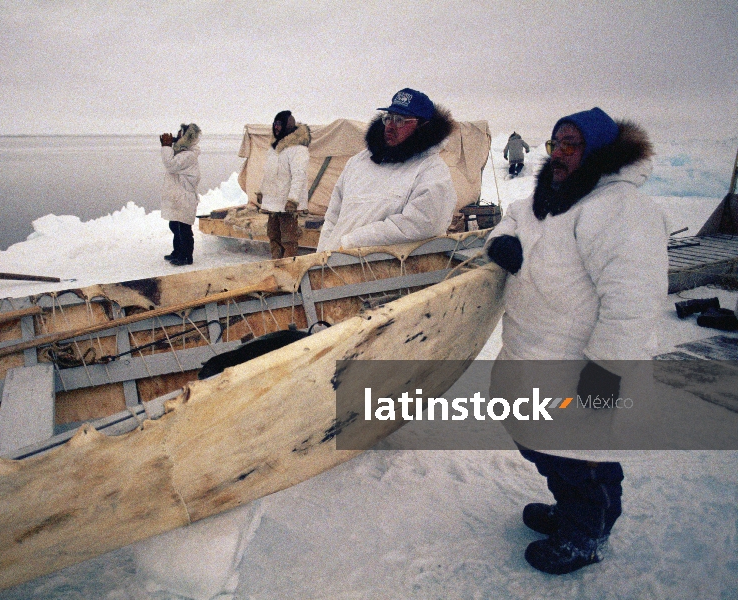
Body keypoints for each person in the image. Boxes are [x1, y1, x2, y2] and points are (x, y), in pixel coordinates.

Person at [485, 107, 668, 574]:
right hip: (531, 354)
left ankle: (588, 530)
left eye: (573, 145)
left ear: (601, 151)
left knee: (581, 458)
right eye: (556, 144)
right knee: (541, 446)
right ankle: (570, 511)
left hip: (580, 364)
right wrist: (502, 240)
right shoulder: (552, 195)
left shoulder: (622, 209)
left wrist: (605, 375)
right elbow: (513, 216)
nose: (561, 154)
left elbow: (633, 305)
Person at [316, 88, 457, 252]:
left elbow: (424, 223)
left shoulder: (431, 170)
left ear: (422, 125)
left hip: (387, 271)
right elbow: (333, 217)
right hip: (334, 263)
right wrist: (320, 255)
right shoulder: (358, 163)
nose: (390, 126)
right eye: (388, 118)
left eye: (400, 120)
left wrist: (352, 241)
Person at [257, 111, 311, 259]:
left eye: (279, 124)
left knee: (289, 239)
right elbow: (268, 173)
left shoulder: (298, 149)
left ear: (288, 126)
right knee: (273, 235)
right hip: (274, 201)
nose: (276, 127)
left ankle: (290, 273)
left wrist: (293, 199)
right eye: (275, 123)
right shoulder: (274, 148)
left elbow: (299, 176)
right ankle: (277, 267)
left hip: (287, 204)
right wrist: (262, 191)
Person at [160, 123, 202, 266]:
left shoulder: (188, 155)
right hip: (180, 196)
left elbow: (171, 165)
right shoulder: (182, 152)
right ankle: (177, 251)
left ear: (186, 137)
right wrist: (170, 146)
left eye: (180, 134)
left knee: (184, 227)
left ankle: (186, 256)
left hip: (186, 196)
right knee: (175, 224)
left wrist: (166, 147)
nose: (176, 136)